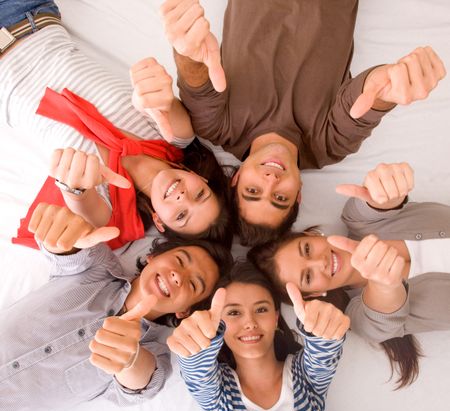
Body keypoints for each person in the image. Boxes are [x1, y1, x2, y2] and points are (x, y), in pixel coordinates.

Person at [159, 0, 446, 245]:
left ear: (236, 179)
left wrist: (187, 49)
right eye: (280, 198)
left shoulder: (217, 127)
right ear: (298, 196)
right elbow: (363, 102)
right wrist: (389, 87)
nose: (271, 182)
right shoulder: (329, 145)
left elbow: (197, 79)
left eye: (253, 191)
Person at [0, 1, 232, 250]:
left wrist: (74, 189)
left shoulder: (109, 210)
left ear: (160, 223)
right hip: (26, 15)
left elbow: (81, 201)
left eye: (181, 216)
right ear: (200, 178)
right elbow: (164, 106)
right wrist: (153, 94)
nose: (182, 197)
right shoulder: (173, 136)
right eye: (200, 195)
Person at [0, 202, 233, 411]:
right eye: (180, 261)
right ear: (153, 256)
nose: (177, 276)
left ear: (184, 311)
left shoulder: (156, 354)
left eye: (193, 284)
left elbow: (140, 382)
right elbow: (68, 250)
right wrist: (58, 235)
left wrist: (130, 361)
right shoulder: (99, 267)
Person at [249, 161, 450, 388]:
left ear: (313, 235)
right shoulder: (359, 319)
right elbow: (383, 312)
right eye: (308, 276)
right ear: (315, 292)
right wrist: (384, 284)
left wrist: (387, 188)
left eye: (307, 249)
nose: (320, 262)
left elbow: (377, 201)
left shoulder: (358, 219)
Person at [167, 262, 350, 411]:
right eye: (233, 312)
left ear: (276, 318)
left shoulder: (306, 377)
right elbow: (196, 368)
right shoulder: (217, 395)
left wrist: (323, 326)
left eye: (261, 309)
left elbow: (324, 348)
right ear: (218, 326)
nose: (250, 323)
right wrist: (195, 340)